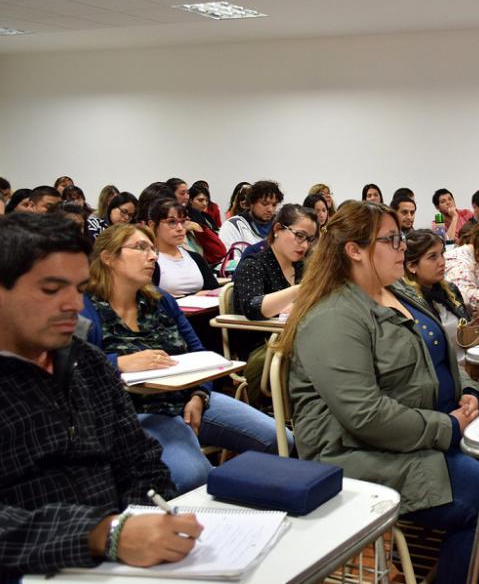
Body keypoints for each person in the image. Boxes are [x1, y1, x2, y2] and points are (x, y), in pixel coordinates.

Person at [275, 201, 479, 584]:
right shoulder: (334, 316)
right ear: (354, 250)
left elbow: (444, 354)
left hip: (425, 427)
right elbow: (365, 414)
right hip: (358, 451)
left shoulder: (398, 290)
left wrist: (469, 391)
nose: (402, 246)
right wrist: (447, 426)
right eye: (392, 239)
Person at [0, 213, 203, 580]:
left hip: (115, 564)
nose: (73, 304)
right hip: (25, 570)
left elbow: (141, 462)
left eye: (80, 289)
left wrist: (148, 523)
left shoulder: (86, 362)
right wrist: (101, 535)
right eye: (51, 290)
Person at [80, 223, 287, 492]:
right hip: (135, 411)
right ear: (108, 258)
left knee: (278, 439)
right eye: (141, 248)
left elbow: (199, 354)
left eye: (153, 249)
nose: (153, 256)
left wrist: (199, 395)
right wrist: (117, 363)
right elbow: (73, 371)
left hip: (187, 399)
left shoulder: (160, 300)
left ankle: (245, 495)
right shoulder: (86, 308)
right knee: (192, 476)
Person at [231, 204, 315, 400]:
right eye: (299, 235)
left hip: (295, 339)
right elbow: (253, 307)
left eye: (310, 239)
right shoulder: (254, 264)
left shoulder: (302, 266)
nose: (304, 245)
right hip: (263, 349)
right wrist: (299, 291)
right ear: (277, 230)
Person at [401, 229, 471, 362]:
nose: (442, 262)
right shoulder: (410, 303)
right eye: (433, 257)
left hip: (469, 364)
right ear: (411, 266)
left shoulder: (450, 290)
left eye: (442, 254)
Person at [147, 198, 219, 296]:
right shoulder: (150, 261)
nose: (180, 228)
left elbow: (215, 292)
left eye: (183, 221)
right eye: (172, 222)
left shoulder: (195, 257)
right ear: (152, 225)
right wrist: (194, 296)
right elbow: (151, 301)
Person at [219, 180, 283, 250]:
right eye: (264, 204)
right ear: (251, 203)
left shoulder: (281, 227)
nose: (270, 209)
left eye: (274, 205)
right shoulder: (233, 226)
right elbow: (229, 260)